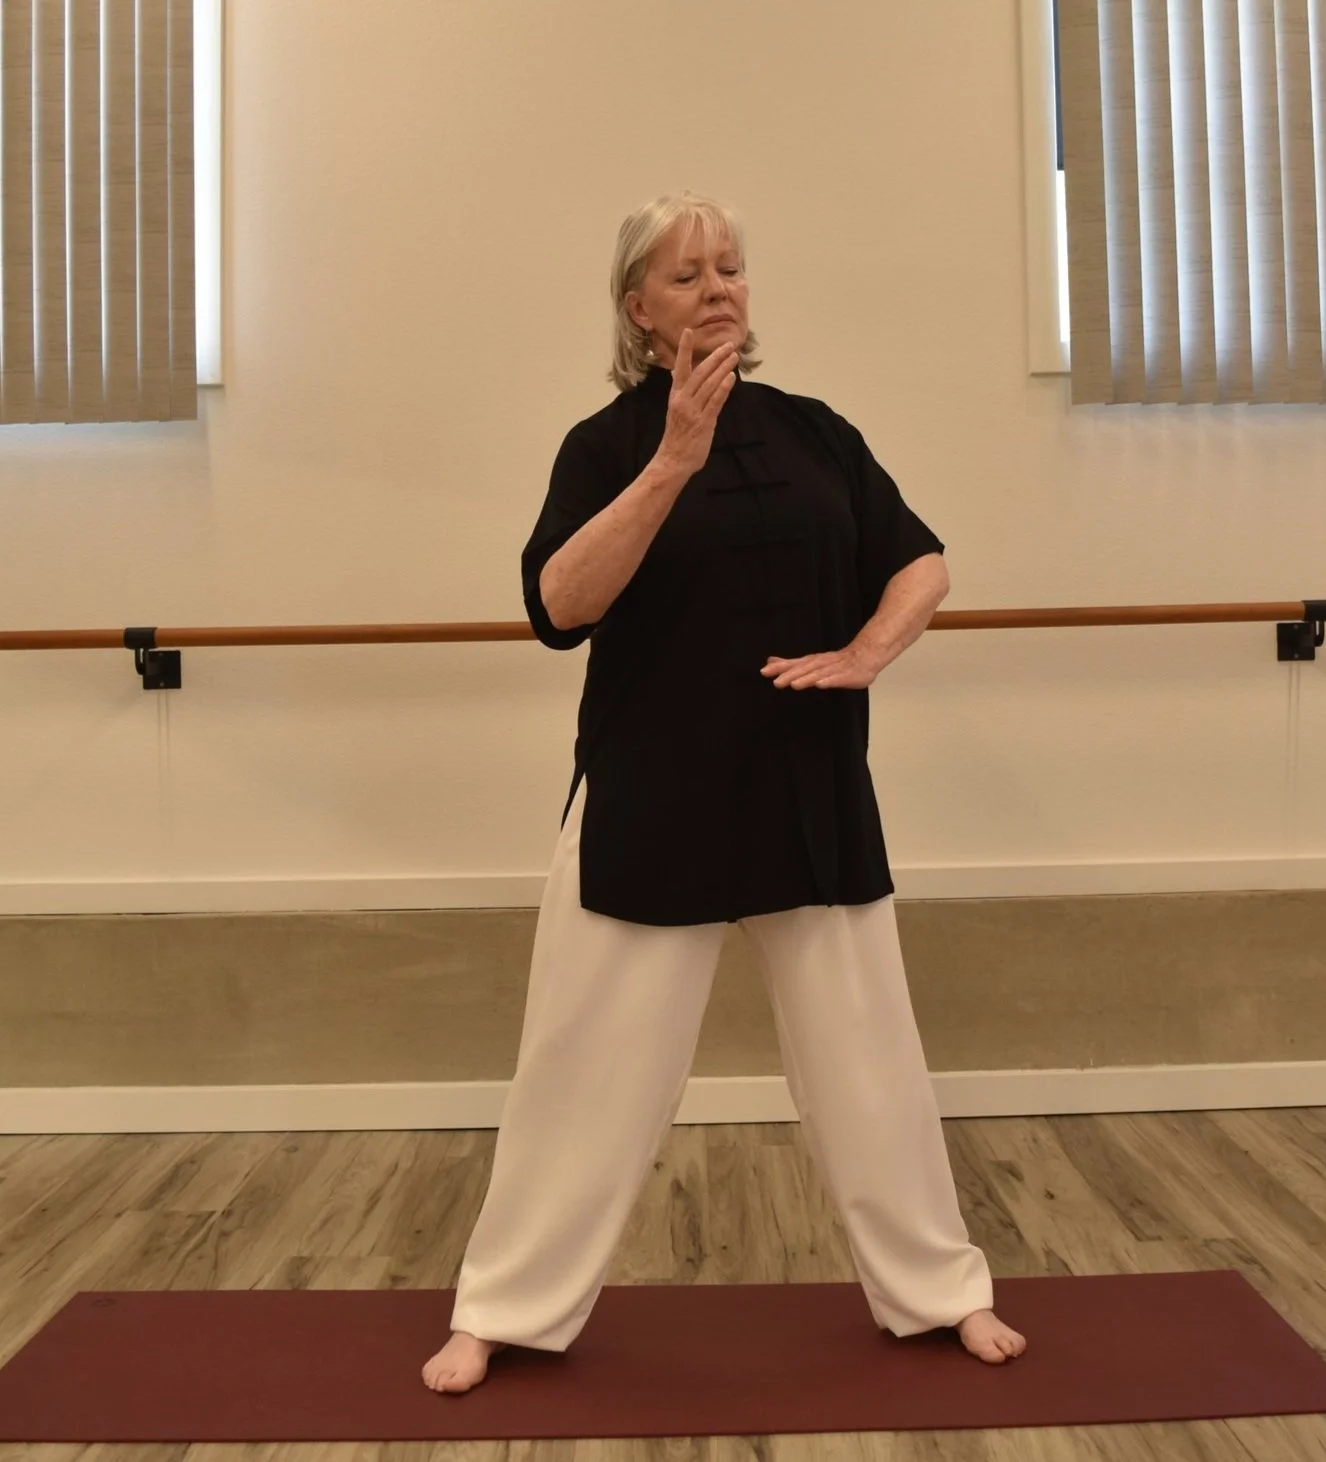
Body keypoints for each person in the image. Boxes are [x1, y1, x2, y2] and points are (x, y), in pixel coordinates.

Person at [423, 192, 1026, 1394]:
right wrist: (673, 463)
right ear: (638, 309)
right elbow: (559, 605)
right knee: (581, 1074)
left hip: (810, 788)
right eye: (688, 274)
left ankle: (941, 1291)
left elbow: (920, 561)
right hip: (653, 795)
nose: (717, 290)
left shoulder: (815, 431)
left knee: (871, 1065)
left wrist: (866, 652)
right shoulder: (604, 448)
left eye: (731, 268)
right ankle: (500, 1309)